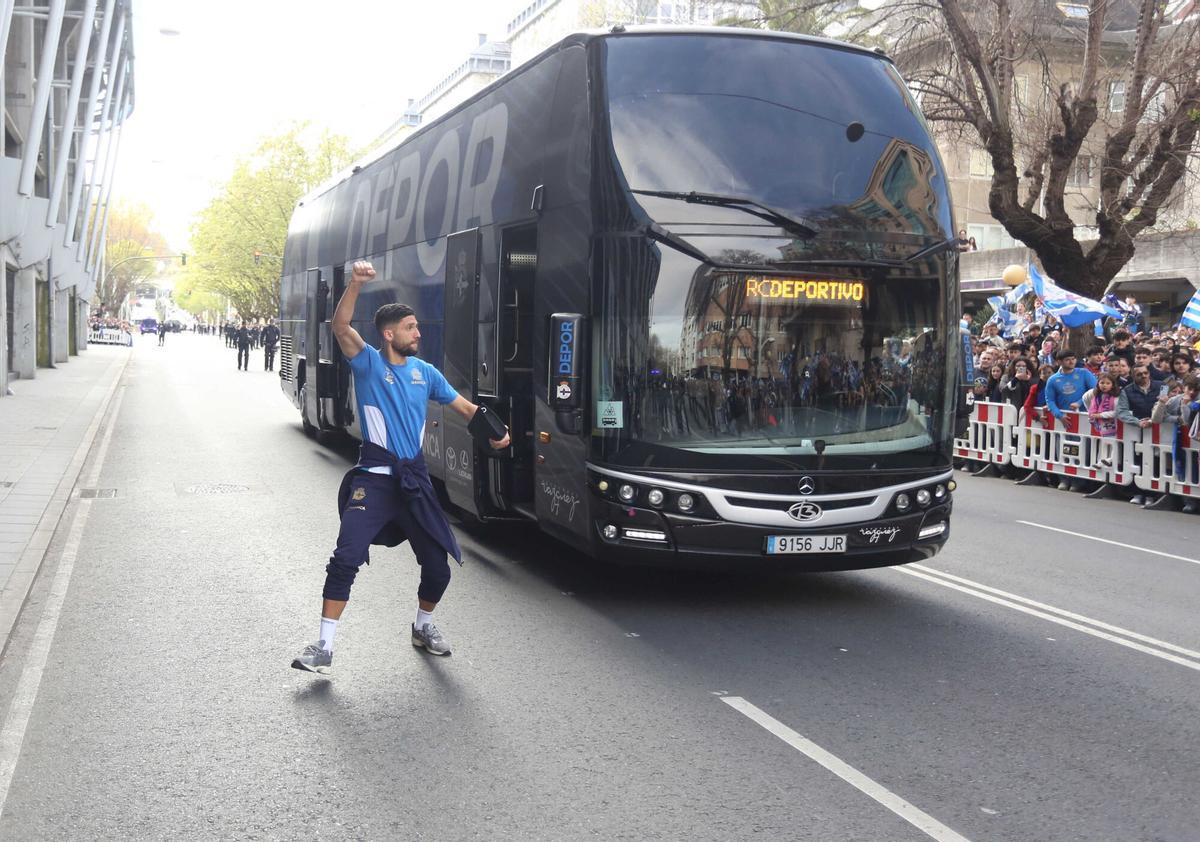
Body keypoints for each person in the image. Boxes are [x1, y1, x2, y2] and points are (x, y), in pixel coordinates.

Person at [292, 260, 510, 675]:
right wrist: (356, 284)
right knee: (345, 557)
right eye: (411, 328)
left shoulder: (426, 374)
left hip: (414, 482)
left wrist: (496, 432)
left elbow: (466, 408)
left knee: (438, 567)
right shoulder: (369, 364)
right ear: (390, 334)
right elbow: (340, 326)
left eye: (417, 327)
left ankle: (422, 626)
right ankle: (323, 646)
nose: (419, 333)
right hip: (374, 481)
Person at [1117, 365, 1159, 505]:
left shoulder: (1162, 386)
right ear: (1133, 376)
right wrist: (1137, 422)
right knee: (1137, 461)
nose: (1143, 376)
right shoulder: (1127, 390)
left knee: (1155, 462)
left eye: (1145, 373)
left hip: (1158, 431)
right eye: (1139, 374)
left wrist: (1154, 420)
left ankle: (1152, 495)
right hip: (1137, 431)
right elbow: (1122, 411)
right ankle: (1137, 493)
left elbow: (1168, 405)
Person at [1043, 349, 1097, 420]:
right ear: (1059, 362)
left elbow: (1096, 390)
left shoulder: (1084, 373)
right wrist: (1059, 415)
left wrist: (1079, 402)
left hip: (1085, 416)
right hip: (1064, 416)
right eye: (1067, 360)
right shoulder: (1052, 380)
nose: (1071, 362)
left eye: (1073, 359)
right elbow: (1050, 400)